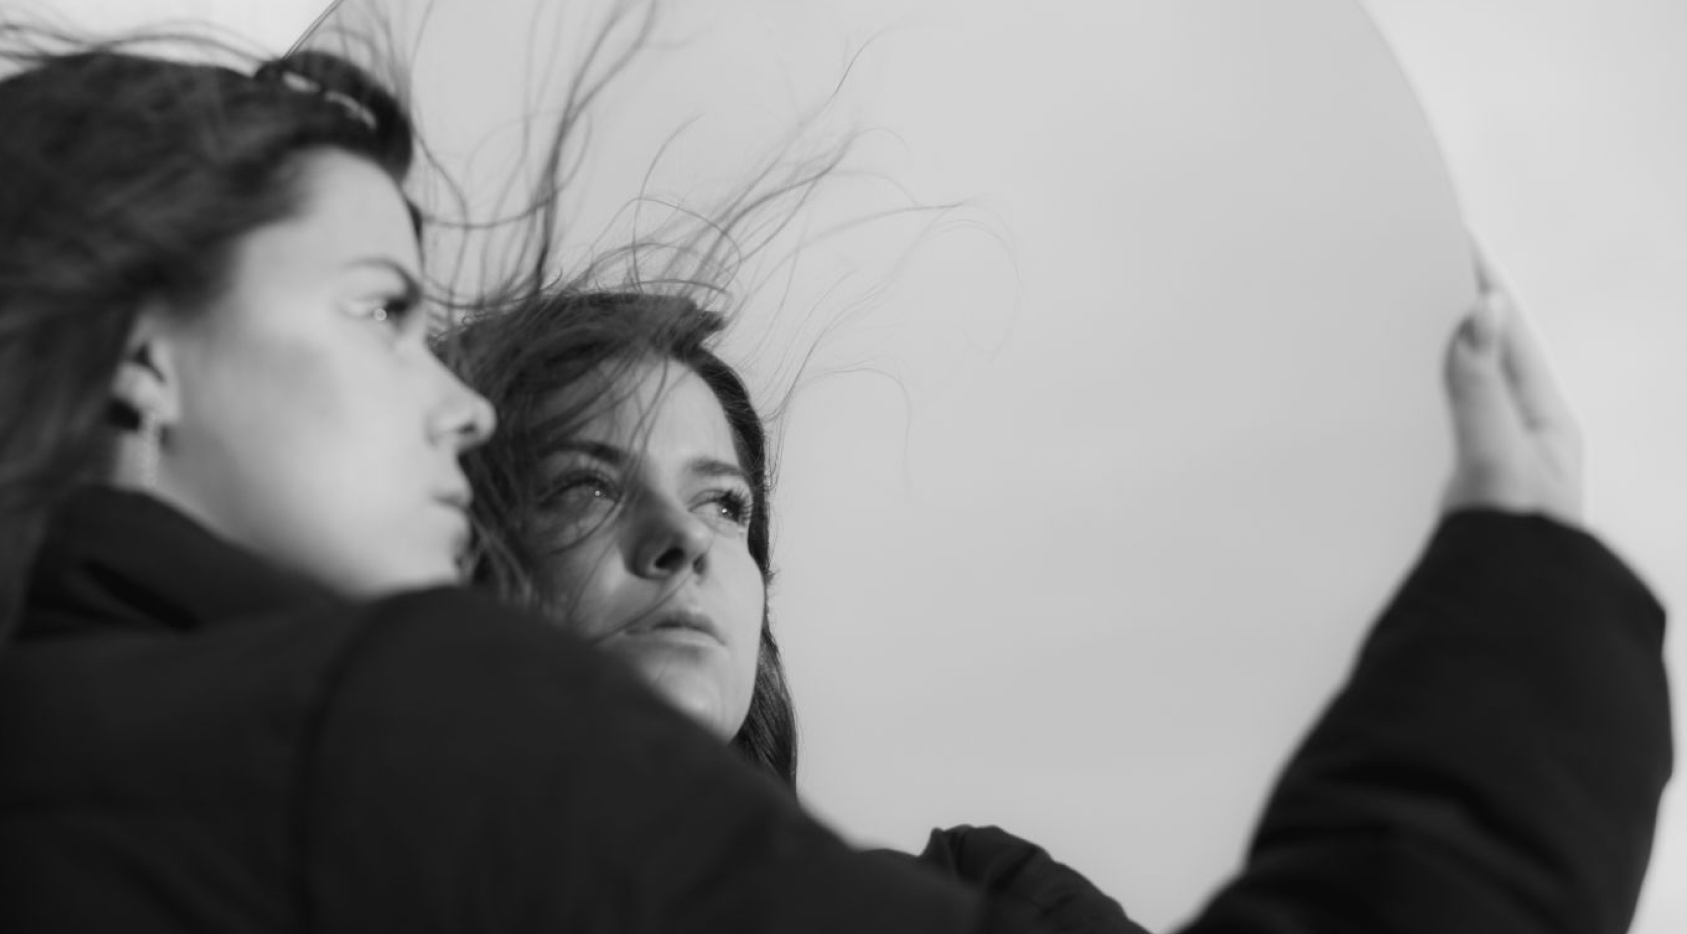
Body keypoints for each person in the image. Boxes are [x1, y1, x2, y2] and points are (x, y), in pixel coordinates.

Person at [0, 18, 1663, 934]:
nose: (446, 408)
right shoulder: (370, 735)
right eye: (383, 311)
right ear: (138, 348)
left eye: (730, 502)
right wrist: (1518, 601)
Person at [437, 276, 1671, 932]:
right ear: (471, 553)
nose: (681, 543)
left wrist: (1521, 594)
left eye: (723, 506)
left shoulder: (978, 895)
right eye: (584, 486)